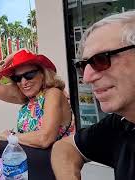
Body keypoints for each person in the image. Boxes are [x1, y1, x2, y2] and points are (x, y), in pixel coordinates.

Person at [51, 11, 135, 180]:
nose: (87, 77)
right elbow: (66, 146)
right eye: (83, 65)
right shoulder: (122, 123)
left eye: (101, 59)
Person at [0, 49, 75, 149]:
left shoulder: (53, 93)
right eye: (18, 78)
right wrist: (12, 56)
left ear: (43, 74)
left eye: (29, 75)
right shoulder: (29, 97)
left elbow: (45, 139)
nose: (23, 82)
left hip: (55, 161)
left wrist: (10, 136)